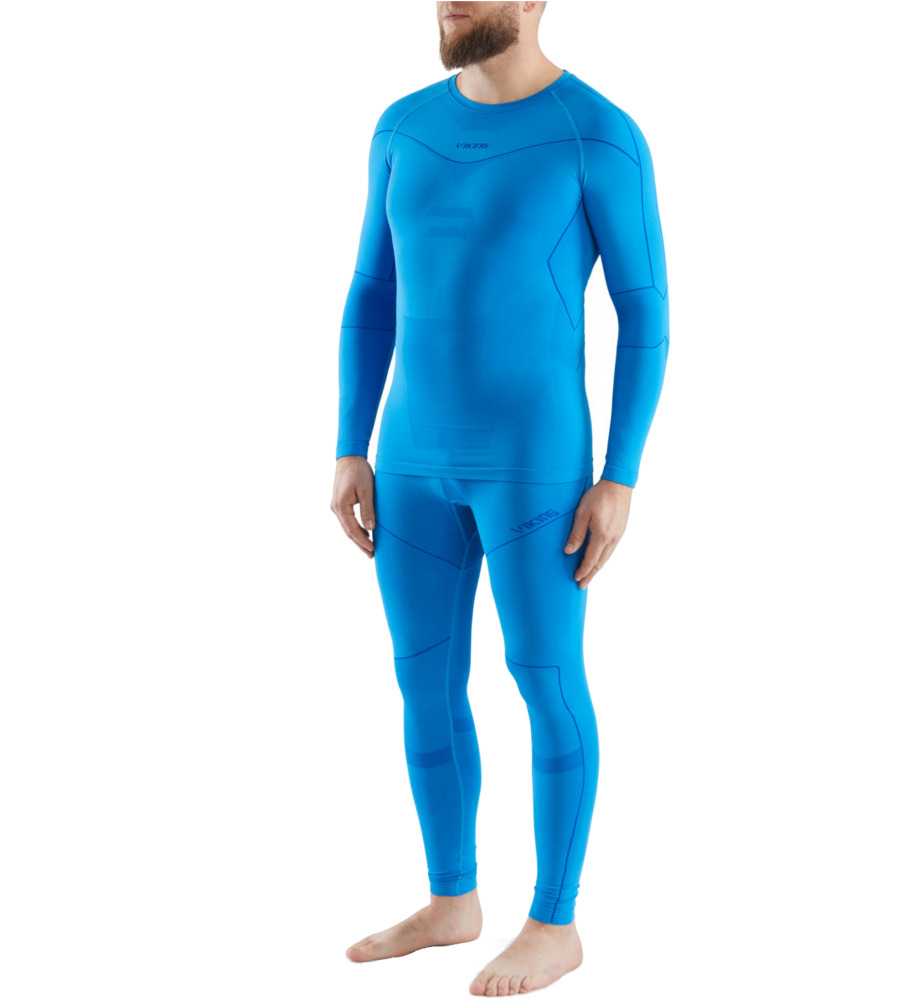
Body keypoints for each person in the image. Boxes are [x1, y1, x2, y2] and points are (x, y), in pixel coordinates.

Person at [330, 2, 669, 994]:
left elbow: (646, 313)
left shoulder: (597, 134)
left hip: (538, 465)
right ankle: (452, 899)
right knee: (424, 681)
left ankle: (555, 922)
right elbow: (371, 292)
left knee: (543, 675)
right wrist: (350, 445)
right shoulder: (401, 126)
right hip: (410, 462)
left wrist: (620, 475)